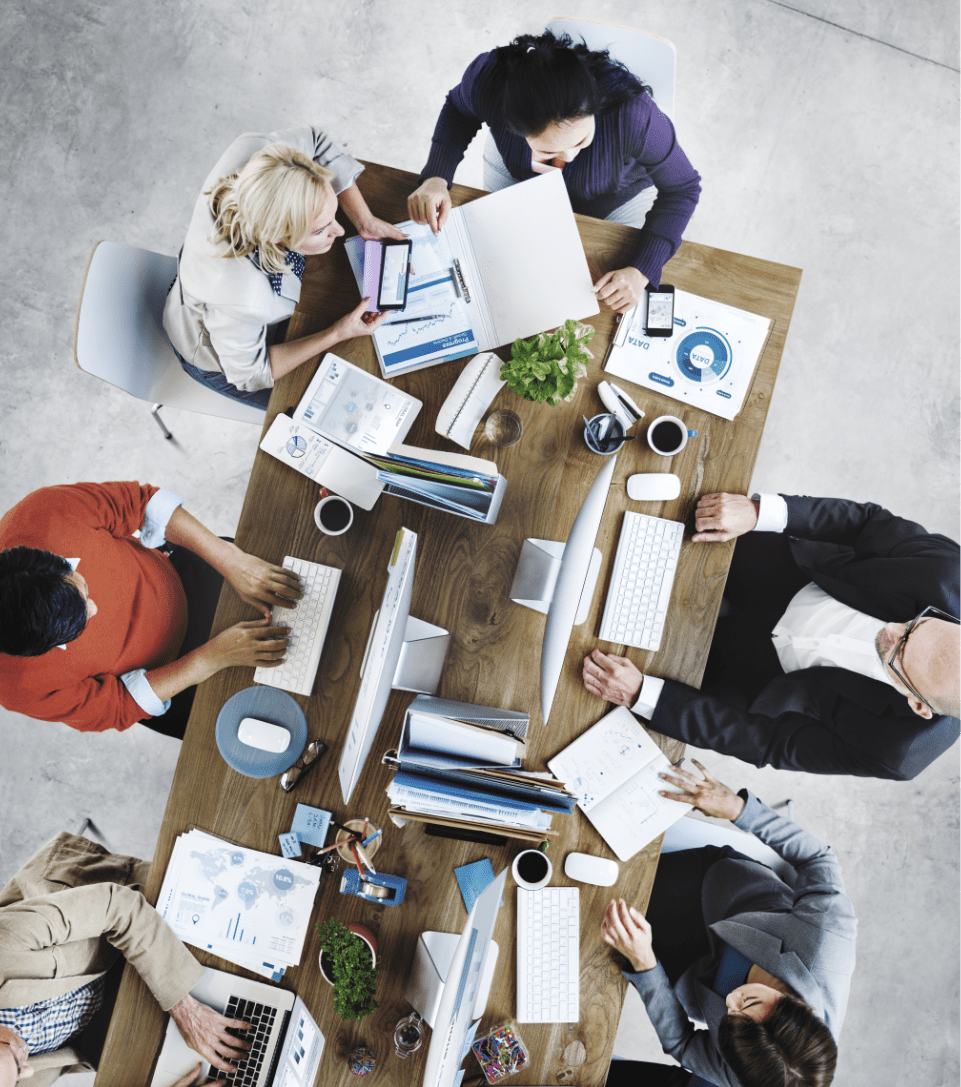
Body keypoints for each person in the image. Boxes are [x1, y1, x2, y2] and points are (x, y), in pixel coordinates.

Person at [583, 492, 961, 779]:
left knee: (605, 663)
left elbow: (770, 743)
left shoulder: (897, 752)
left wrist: (642, 695)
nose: (893, 628)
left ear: (918, 706)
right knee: (648, 519)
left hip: (763, 676)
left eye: (899, 649)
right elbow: (866, 525)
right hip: (790, 574)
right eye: (917, 624)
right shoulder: (949, 576)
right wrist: (760, 512)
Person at [407, 30, 701, 313]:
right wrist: (437, 176)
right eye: (548, 151)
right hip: (516, 171)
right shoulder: (487, 78)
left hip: (616, 195)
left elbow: (683, 188)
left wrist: (641, 270)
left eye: (581, 140)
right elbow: (459, 110)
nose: (570, 157)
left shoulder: (635, 116)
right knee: (501, 262)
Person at [601, 760, 855, 1087]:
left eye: (731, 1019)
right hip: (715, 891)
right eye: (748, 1003)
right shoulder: (826, 944)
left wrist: (646, 965)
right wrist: (738, 809)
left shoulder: (753, 1070)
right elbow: (817, 858)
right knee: (615, 877)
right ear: (794, 1004)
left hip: (684, 973)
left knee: (593, 934)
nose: (730, 1002)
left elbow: (683, 1044)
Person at [0, 481, 298, 738]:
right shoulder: (15, 687)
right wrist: (210, 658)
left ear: (48, 558)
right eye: (82, 622)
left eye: (83, 590)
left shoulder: (41, 512)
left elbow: (140, 504)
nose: (95, 606)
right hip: (176, 681)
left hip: (193, 575)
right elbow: (116, 707)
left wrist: (231, 561)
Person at [164, 125, 404, 408]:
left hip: (218, 302)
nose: (340, 230)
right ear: (276, 236)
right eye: (320, 230)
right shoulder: (242, 299)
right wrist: (338, 333)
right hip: (220, 356)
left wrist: (364, 220)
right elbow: (252, 374)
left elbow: (317, 142)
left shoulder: (260, 152)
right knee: (330, 404)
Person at [0, 833, 251, 1087]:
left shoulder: (3, 949)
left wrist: (185, 1007)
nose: (29, 1071)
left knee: (237, 926)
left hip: (103, 917)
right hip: (105, 1012)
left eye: (17, 1062)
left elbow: (120, 908)